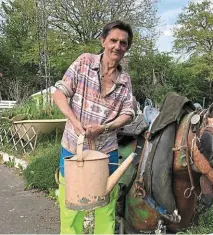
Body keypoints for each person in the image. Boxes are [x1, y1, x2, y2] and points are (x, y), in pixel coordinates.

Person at [52, 20, 135, 234]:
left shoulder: (125, 80)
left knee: (105, 208)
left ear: (127, 48)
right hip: (74, 149)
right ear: (103, 41)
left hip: (106, 152)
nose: (118, 46)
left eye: (123, 43)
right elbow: (59, 93)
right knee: (71, 207)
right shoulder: (84, 62)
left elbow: (128, 113)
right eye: (113, 40)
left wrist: (106, 127)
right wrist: (74, 120)